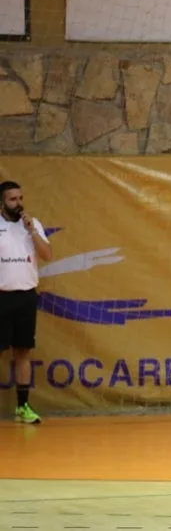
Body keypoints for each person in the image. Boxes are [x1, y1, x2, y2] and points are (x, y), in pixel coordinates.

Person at [0, 181, 52, 424]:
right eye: (13, 199)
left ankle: (23, 408)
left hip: (26, 297)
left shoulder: (33, 224)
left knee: (23, 351)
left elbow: (47, 255)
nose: (19, 203)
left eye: (21, 198)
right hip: (2, 297)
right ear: (2, 202)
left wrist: (31, 231)